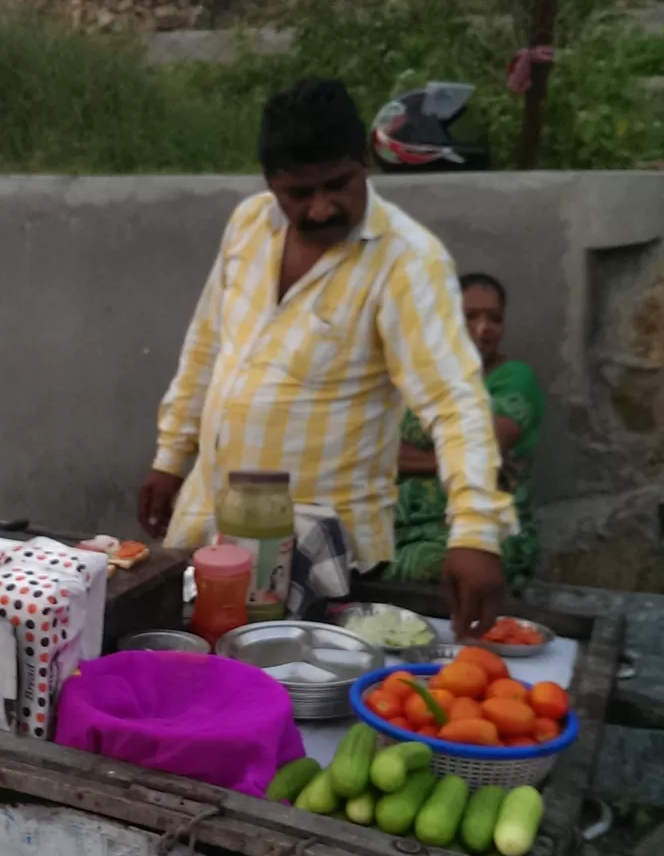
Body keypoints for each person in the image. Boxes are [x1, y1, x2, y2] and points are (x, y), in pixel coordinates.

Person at [136, 78, 516, 638]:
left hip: (322, 558)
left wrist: (476, 533)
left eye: (338, 185)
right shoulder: (248, 225)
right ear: (270, 184)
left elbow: (454, 402)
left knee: (294, 705)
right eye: (298, 194)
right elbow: (207, 345)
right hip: (214, 525)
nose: (321, 208)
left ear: (365, 159)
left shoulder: (407, 263)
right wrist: (172, 457)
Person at [390, 272, 545, 588]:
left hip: (477, 526)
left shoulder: (514, 378)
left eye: (494, 318)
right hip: (398, 519)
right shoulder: (417, 380)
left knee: (430, 566)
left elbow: (485, 444)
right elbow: (370, 449)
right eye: (469, 316)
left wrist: (404, 456)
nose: (483, 329)